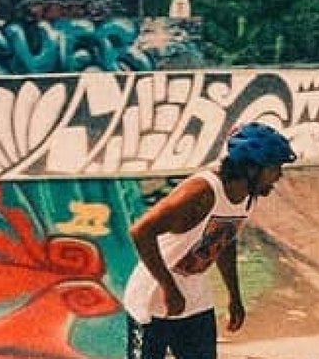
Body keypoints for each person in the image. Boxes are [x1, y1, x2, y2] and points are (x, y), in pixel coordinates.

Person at [124, 123, 297, 359]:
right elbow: (141, 231)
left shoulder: (248, 197)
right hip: (153, 300)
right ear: (250, 168)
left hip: (196, 302)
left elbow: (224, 242)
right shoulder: (202, 192)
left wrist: (234, 297)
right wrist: (169, 288)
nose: (279, 175)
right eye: (274, 167)